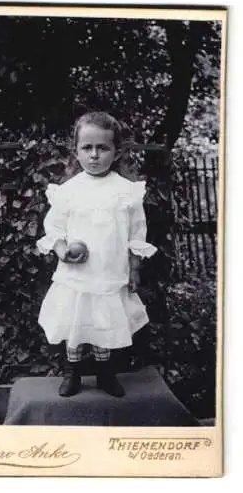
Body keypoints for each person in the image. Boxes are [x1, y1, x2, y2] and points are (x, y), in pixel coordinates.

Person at [37, 111, 157, 398]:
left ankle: (105, 373)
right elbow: (54, 228)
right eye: (86, 148)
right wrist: (63, 251)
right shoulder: (68, 191)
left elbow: (136, 234)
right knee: (75, 322)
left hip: (109, 271)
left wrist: (135, 268)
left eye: (102, 148)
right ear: (76, 151)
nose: (94, 155)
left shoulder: (127, 192)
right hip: (77, 274)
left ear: (116, 153)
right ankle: (72, 372)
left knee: (104, 323)